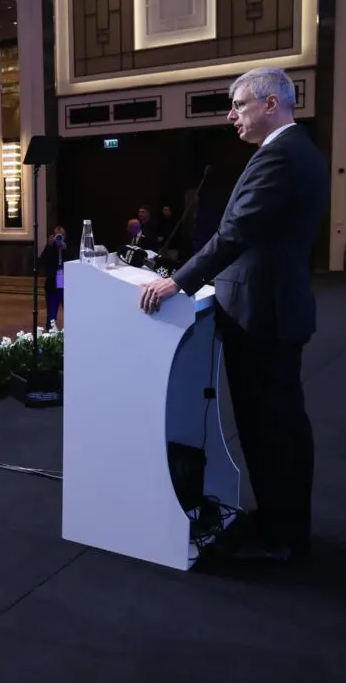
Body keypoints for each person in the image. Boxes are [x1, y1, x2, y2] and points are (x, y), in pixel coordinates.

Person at [139, 67, 328, 563]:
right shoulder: (295, 150)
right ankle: (283, 522)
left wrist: (177, 281)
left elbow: (236, 232)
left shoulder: (281, 156)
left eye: (239, 105)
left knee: (270, 428)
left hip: (262, 312)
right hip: (271, 306)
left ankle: (281, 536)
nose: (231, 116)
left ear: (271, 104)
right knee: (278, 425)